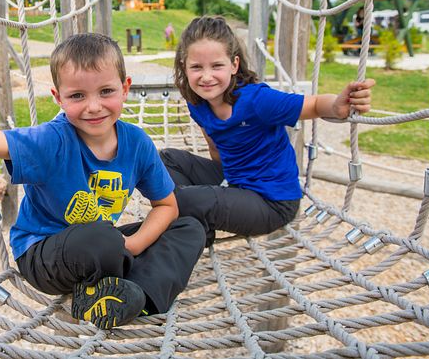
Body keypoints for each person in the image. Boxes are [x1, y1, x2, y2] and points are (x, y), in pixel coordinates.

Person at [0, 33, 205, 329]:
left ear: (125, 88)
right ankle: (116, 284)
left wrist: (133, 244)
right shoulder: (51, 140)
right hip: (45, 253)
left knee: (189, 227)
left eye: (106, 91)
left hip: (104, 245)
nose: (94, 106)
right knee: (102, 240)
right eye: (77, 95)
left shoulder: (136, 143)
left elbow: (167, 205)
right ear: (58, 97)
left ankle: (138, 298)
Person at [160, 16, 375, 245]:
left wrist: (336, 106)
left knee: (178, 199)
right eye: (196, 67)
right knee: (165, 160)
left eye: (216, 66)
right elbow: (215, 148)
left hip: (272, 203)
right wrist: (221, 193)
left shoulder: (258, 100)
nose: (206, 76)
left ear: (234, 65)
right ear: (184, 66)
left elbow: (313, 104)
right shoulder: (197, 102)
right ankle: (197, 224)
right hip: (236, 183)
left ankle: (189, 220)